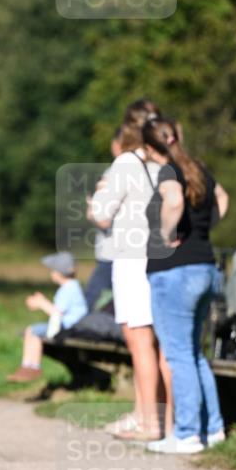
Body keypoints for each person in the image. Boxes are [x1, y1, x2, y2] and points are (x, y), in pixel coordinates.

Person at [143, 116, 229, 453]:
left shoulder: (168, 173)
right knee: (194, 354)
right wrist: (202, 231)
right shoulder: (199, 169)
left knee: (179, 355)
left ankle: (188, 434)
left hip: (175, 273)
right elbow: (223, 198)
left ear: (151, 147)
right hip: (205, 267)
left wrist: (166, 236)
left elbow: (175, 201)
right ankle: (214, 428)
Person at [88, 99, 171, 441]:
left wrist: (94, 202)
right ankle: (159, 419)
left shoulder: (125, 163)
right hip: (162, 258)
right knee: (161, 342)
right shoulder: (163, 162)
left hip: (131, 259)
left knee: (139, 343)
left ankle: (147, 421)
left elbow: (103, 215)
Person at [6, 252, 88, 382]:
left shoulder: (69, 289)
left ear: (58, 273)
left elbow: (56, 313)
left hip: (68, 328)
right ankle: (27, 366)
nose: (51, 274)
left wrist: (41, 303)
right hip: (67, 326)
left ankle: (33, 366)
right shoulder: (71, 287)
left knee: (34, 331)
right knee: (31, 330)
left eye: (53, 271)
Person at [84, 127, 122, 312]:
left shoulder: (113, 172)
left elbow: (104, 219)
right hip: (134, 253)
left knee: (89, 307)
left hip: (111, 254)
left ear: (116, 145)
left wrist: (92, 209)